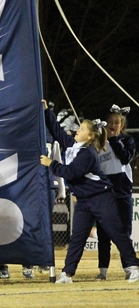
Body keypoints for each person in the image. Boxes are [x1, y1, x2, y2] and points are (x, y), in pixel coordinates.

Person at [41, 100, 139, 283]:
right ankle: (67, 273)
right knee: (77, 237)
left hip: (101, 198)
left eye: (83, 129)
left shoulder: (88, 153)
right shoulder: (72, 145)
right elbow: (56, 130)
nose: (78, 130)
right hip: (85, 200)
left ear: (89, 137)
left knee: (116, 232)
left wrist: (51, 163)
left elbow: (71, 172)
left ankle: (133, 267)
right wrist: (47, 111)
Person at [95, 105, 136, 280]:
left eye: (117, 122)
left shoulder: (127, 140)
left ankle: (130, 268)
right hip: (104, 192)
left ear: (122, 125)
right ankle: (102, 270)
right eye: (110, 122)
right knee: (103, 233)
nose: (113, 125)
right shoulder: (99, 142)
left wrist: (114, 140)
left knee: (124, 232)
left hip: (122, 192)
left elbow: (126, 157)